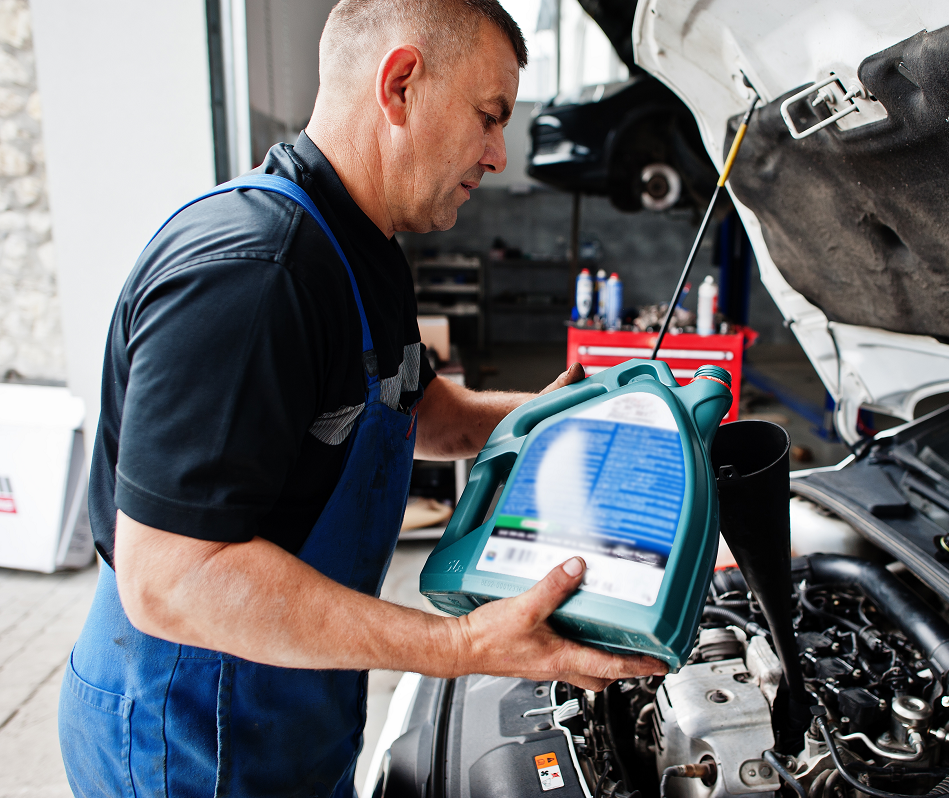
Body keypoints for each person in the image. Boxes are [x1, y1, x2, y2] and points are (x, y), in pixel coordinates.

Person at [58, 1, 664, 795]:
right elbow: (170, 577)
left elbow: (422, 415)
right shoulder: (254, 274)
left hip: (288, 697)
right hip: (186, 730)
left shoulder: (361, 249)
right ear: (401, 83)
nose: (498, 154)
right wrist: (461, 645)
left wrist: (566, 424)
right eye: (489, 117)